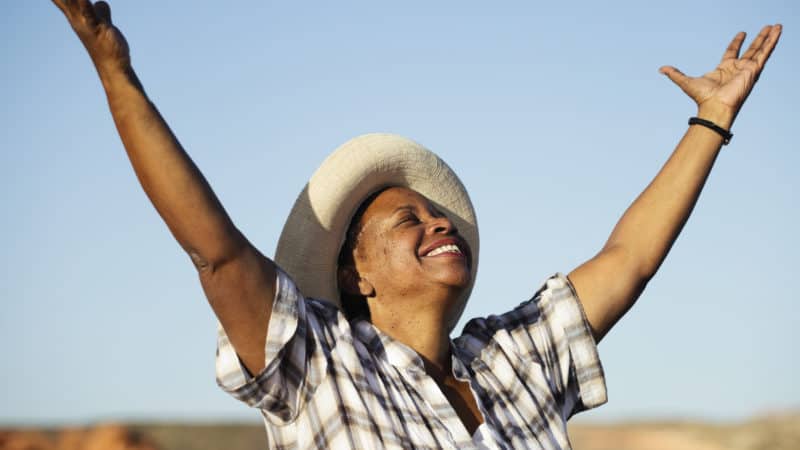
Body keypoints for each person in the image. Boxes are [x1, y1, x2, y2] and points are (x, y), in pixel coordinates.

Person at [52, 1, 782, 448]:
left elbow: (628, 259)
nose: (440, 224)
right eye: (409, 219)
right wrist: (119, 78)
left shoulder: (513, 363)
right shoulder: (319, 364)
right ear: (354, 271)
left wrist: (710, 120)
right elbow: (215, 253)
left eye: (441, 216)